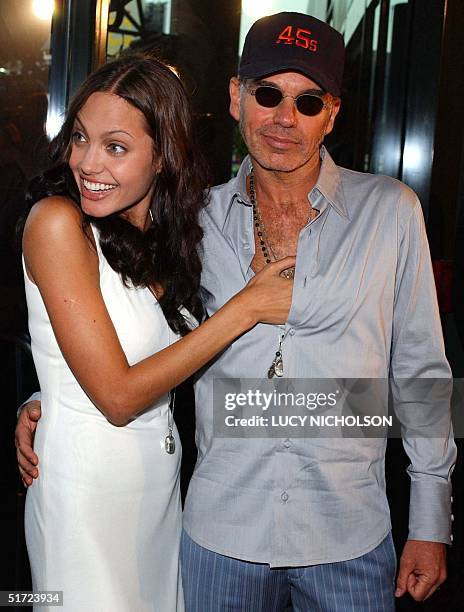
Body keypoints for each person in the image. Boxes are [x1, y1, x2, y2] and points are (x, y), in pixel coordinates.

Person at [17, 13, 456, 611]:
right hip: (218, 539)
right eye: (268, 94)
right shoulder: (191, 223)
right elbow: (119, 333)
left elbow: (421, 373)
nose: (283, 118)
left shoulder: (391, 212)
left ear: (332, 114)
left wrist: (430, 518)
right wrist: (51, 400)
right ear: (235, 97)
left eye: (308, 102)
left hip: (347, 537)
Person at [15, 53, 294, 611]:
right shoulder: (56, 222)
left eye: (115, 147)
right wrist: (243, 310)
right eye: (80, 138)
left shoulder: (174, 242)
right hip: (86, 497)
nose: (88, 163)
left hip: (160, 490)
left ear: (163, 155)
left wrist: (46, 393)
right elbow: (116, 397)